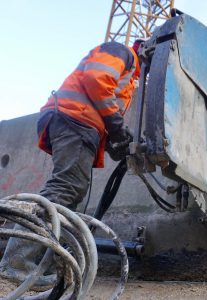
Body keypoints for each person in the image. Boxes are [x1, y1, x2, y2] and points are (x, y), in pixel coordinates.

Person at [0, 40, 142, 287]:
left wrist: (112, 141)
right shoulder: (123, 53)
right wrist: (117, 127)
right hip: (74, 119)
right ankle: (16, 263)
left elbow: (104, 105)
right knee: (64, 188)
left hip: (76, 121)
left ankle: (45, 265)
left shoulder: (130, 76)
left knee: (71, 195)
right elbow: (97, 80)